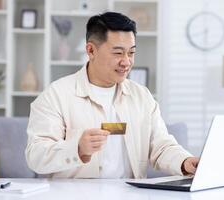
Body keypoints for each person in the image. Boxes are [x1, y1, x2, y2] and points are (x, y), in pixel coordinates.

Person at [25, 12, 199, 178]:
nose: (126, 62)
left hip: (130, 194)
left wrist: (185, 162)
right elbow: (35, 156)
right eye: (118, 53)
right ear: (91, 51)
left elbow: (161, 146)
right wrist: (76, 148)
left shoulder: (142, 97)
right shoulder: (56, 95)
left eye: (131, 53)